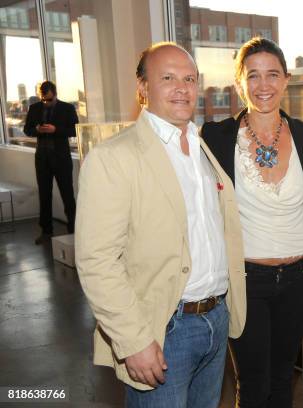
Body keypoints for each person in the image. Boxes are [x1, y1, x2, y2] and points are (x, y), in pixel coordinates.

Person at [74, 42, 246, 408]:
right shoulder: (113, 158)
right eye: (167, 78)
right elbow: (97, 261)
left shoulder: (201, 150)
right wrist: (133, 341)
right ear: (143, 89)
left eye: (189, 79)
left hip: (215, 319)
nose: (182, 88)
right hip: (165, 331)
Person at [203, 37, 303, 408]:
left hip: (301, 278)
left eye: (272, 74)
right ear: (239, 83)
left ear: (286, 79)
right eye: (253, 75)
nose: (263, 85)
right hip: (246, 280)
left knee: (284, 378)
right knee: (253, 383)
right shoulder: (216, 138)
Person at [23, 80, 78, 244]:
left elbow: (75, 129)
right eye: (44, 100)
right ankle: (46, 231)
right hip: (42, 158)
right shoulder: (35, 108)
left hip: (61, 158)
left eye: (49, 100)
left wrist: (56, 130)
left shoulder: (67, 108)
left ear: (55, 94)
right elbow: (27, 129)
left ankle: (74, 230)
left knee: (67, 194)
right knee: (44, 195)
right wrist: (37, 130)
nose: (46, 103)